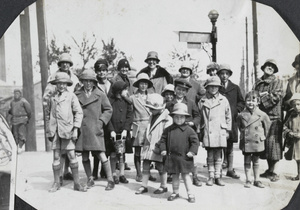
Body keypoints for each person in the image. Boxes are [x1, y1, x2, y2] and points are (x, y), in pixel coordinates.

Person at [45, 72, 86, 192]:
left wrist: (75, 129)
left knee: (71, 155)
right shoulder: (52, 97)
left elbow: (78, 113)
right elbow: (48, 115)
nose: (61, 86)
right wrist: (49, 131)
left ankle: (77, 183)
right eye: (59, 83)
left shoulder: (71, 96)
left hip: (68, 130)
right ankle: (56, 182)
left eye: (63, 83)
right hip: (55, 131)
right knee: (56, 156)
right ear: (56, 84)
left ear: (67, 84)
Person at [74, 69, 115, 191]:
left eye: (90, 81)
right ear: (81, 82)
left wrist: (101, 122)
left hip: (95, 129)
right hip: (83, 130)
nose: (87, 84)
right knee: (85, 156)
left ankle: (110, 180)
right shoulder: (76, 95)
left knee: (102, 155)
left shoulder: (100, 94)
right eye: (85, 81)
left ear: (93, 82)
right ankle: (90, 178)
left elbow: (108, 109)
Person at [43, 53, 80, 183]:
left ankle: (72, 177)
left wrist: (75, 125)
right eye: (63, 62)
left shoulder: (74, 78)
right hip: (56, 118)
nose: (65, 65)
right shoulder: (53, 78)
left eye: (68, 63)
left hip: (70, 116)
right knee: (57, 153)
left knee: (71, 151)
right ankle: (58, 179)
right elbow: (46, 100)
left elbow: (78, 96)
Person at [158, 103, 199, 203]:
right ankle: (175, 192)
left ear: (186, 118)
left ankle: (190, 193)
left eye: (182, 117)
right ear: (173, 117)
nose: (179, 119)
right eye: (176, 117)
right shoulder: (168, 130)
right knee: (175, 176)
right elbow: (162, 140)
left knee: (186, 176)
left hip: (185, 157)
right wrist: (163, 149)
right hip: (173, 157)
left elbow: (195, 142)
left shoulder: (189, 130)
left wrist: (192, 152)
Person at [166, 78, 201, 186]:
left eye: (183, 90)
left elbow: (197, 116)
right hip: (174, 132)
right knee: (174, 153)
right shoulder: (170, 104)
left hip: (187, 132)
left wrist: (192, 123)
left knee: (191, 155)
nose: (181, 92)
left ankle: (194, 176)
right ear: (175, 90)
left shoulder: (190, 103)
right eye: (179, 89)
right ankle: (172, 173)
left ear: (186, 92)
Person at [253, 59, 283, 182]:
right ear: (264, 67)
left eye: (272, 67)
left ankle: (275, 171)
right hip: (261, 117)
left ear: (274, 70)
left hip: (274, 117)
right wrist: (261, 96)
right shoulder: (258, 82)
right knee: (266, 146)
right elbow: (253, 96)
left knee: (274, 145)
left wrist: (262, 97)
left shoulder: (277, 82)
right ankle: (269, 170)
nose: (269, 68)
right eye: (268, 65)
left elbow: (275, 97)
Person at [135, 94, 172, 195]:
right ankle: (144, 185)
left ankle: (163, 186)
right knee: (146, 164)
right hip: (149, 144)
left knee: (161, 166)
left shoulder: (167, 119)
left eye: (152, 109)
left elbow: (166, 135)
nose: (150, 110)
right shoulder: (152, 116)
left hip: (158, 145)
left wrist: (161, 146)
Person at [198, 76, 231, 186]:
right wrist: (200, 130)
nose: (213, 89)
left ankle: (218, 176)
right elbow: (199, 117)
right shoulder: (202, 100)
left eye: (215, 86)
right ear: (207, 87)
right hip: (208, 131)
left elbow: (228, 116)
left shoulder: (223, 100)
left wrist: (227, 130)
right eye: (211, 86)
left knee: (219, 155)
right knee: (210, 155)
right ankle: (211, 176)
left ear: (219, 87)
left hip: (220, 131)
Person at [237, 91, 271, 188]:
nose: (250, 103)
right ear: (245, 101)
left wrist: (262, 137)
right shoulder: (241, 115)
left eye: (253, 100)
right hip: (246, 142)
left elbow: (267, 128)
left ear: (258, 101)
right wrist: (244, 134)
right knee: (247, 161)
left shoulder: (262, 115)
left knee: (256, 161)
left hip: (257, 142)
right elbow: (240, 126)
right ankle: (248, 180)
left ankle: (257, 180)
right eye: (248, 100)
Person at [217, 64, 245, 179]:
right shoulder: (215, 87)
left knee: (229, 146)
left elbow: (241, 102)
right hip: (218, 120)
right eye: (222, 73)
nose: (224, 76)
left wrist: (235, 111)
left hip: (231, 120)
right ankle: (218, 170)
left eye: (226, 74)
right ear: (219, 75)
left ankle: (230, 169)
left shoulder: (235, 87)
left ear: (229, 75)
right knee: (218, 144)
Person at [107, 80, 133, 184]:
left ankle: (122, 174)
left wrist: (126, 129)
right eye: (125, 89)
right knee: (113, 154)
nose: (127, 91)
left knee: (122, 153)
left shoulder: (127, 102)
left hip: (123, 132)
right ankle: (113, 174)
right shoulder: (110, 102)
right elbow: (107, 117)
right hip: (113, 131)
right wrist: (111, 130)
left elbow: (130, 116)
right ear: (119, 91)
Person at [129, 73, 154, 182]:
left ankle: (147, 172)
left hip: (149, 125)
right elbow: (130, 112)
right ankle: (139, 173)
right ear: (138, 85)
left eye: (145, 83)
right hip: (138, 125)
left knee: (148, 151)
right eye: (141, 83)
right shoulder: (133, 98)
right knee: (138, 151)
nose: (143, 86)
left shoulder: (152, 97)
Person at [92, 58, 112, 180]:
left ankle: (105, 171)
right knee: (96, 145)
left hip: (110, 117)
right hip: (98, 117)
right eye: (99, 71)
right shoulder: (94, 85)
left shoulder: (111, 84)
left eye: (104, 70)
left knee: (108, 145)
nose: (102, 73)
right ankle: (94, 171)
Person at [283, 93, 300, 181]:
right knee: (298, 159)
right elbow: (285, 126)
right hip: (295, 142)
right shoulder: (292, 115)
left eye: (298, 104)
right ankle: (299, 175)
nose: (296, 107)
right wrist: (290, 132)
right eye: (294, 105)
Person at [8, 89, 31, 153]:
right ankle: (16, 147)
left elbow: (29, 111)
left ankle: (20, 147)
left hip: (22, 119)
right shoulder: (12, 102)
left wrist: (27, 119)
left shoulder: (24, 101)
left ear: (20, 94)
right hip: (14, 120)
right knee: (15, 134)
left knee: (21, 134)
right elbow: (11, 110)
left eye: (17, 93)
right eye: (15, 93)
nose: (16, 95)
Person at [283, 54, 300, 118]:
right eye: (297, 64)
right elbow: (287, 97)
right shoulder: (290, 80)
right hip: (292, 113)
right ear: (295, 66)